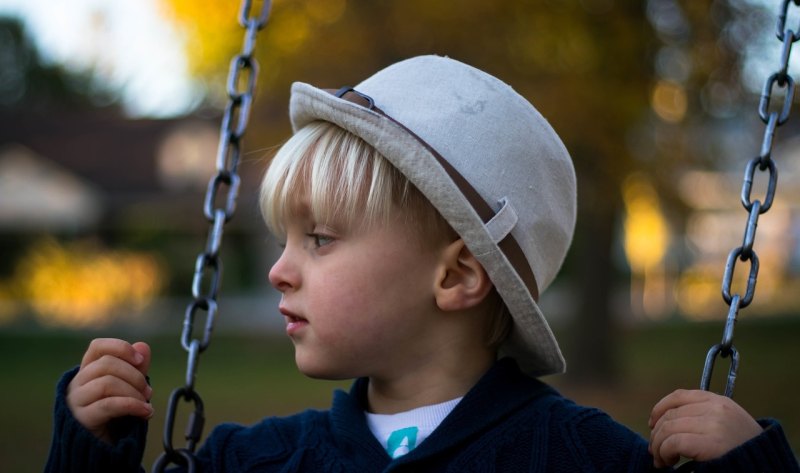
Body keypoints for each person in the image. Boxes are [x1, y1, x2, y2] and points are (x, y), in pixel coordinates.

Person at [45, 55, 799, 472]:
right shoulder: (252, 461)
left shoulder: (584, 459)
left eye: (322, 238)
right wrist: (90, 454)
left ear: (457, 277)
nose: (279, 269)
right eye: (286, 239)